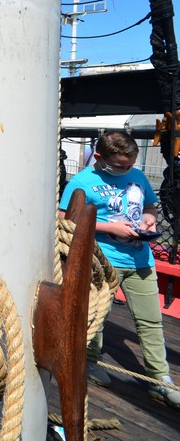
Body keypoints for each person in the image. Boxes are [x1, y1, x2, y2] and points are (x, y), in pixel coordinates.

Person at [59, 131, 180, 408]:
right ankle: (90, 363)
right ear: (99, 158)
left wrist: (149, 219)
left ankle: (160, 380)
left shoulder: (136, 176)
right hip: (103, 261)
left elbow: (149, 205)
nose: (127, 170)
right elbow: (64, 219)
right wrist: (109, 227)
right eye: (121, 166)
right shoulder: (82, 182)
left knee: (150, 321)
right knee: (97, 318)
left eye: (130, 164)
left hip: (140, 259)